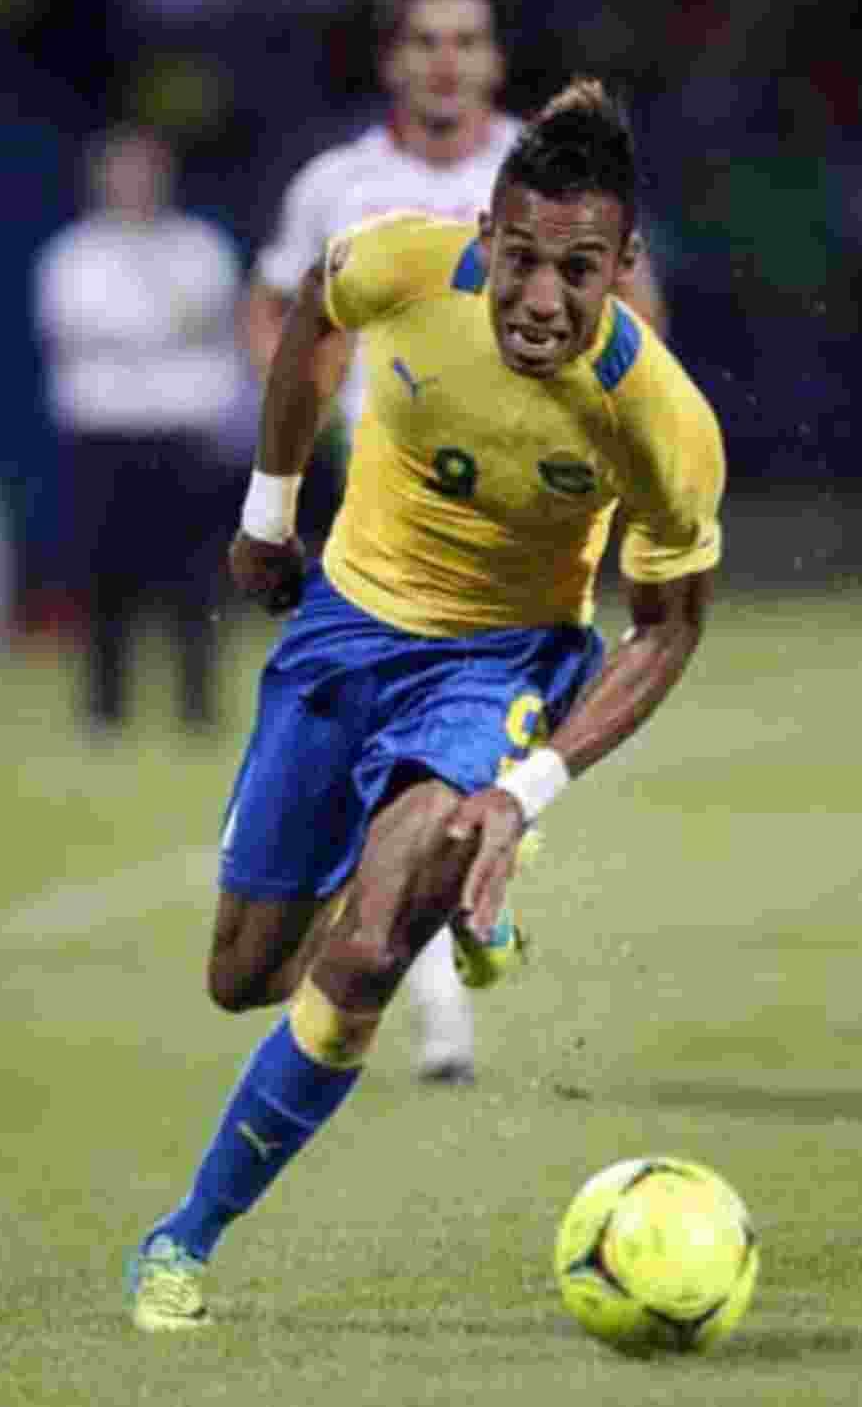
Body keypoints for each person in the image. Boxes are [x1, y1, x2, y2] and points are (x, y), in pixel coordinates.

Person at [127, 78, 725, 1331]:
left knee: (365, 949)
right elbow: (310, 313)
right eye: (520, 261)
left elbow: (666, 627)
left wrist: (528, 787)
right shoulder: (398, 262)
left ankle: (184, 1238)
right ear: (483, 235)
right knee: (243, 976)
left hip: (494, 669)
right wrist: (266, 513)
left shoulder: (659, 418)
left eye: (578, 270)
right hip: (343, 633)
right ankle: (438, 881)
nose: (541, 300)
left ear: (624, 265)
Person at [247, 0, 667, 1083]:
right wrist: (293, 443)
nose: (446, 61)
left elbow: (636, 320)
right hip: (376, 496)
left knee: (431, 766)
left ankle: (440, 976)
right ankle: (457, 916)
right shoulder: (337, 186)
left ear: (494, 60)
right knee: (389, 772)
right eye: (425, 41)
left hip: (530, 515)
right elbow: (279, 314)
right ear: (392, 60)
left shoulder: (543, 173)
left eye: (466, 41)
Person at [34, 126, 252, 733]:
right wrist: (160, 326)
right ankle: (105, 709)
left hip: (184, 431)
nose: (133, 185)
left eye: (144, 172)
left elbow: (218, 321)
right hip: (104, 431)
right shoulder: (73, 255)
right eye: (121, 173)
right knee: (105, 575)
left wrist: (148, 329)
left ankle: (198, 707)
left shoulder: (199, 247)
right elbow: (74, 328)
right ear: (101, 180)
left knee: (196, 575)